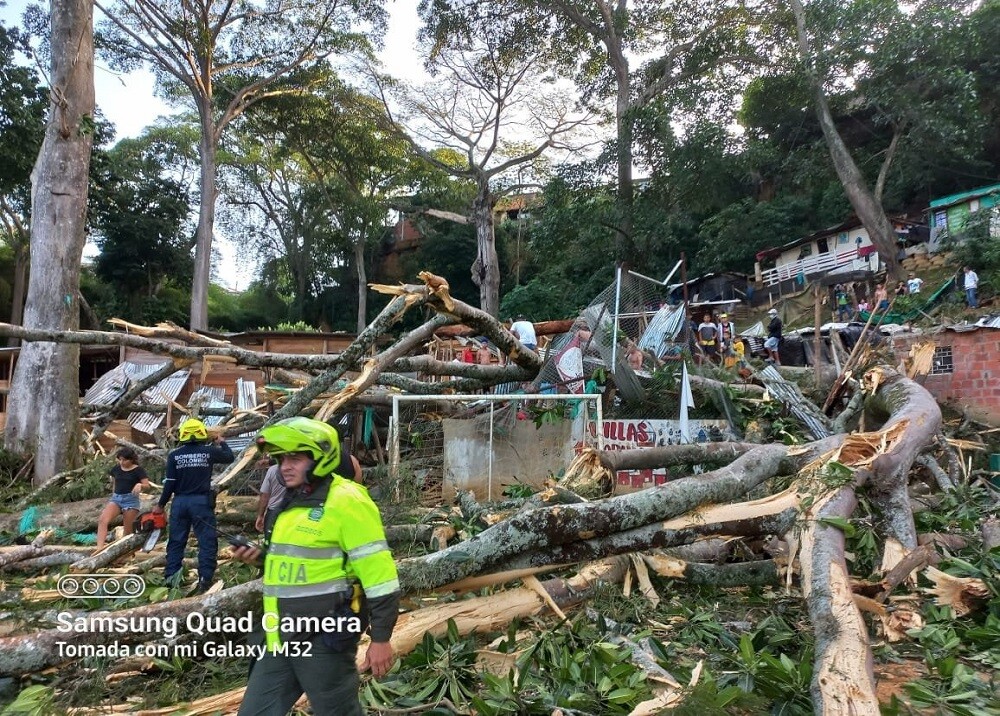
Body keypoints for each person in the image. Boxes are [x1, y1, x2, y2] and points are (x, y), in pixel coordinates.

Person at [232, 417, 399, 716]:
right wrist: (259, 558)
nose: (285, 466)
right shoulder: (292, 504)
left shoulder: (346, 501)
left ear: (322, 456)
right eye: (282, 459)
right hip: (280, 637)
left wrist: (381, 638)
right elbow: (297, 565)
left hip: (323, 639)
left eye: (295, 458)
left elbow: (381, 576)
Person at [155, 418, 234, 594]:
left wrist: (161, 505)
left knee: (176, 542)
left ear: (182, 434)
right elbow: (229, 457)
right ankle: (205, 580)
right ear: (202, 434)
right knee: (206, 542)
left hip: (180, 502)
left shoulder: (174, 455)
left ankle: (171, 579)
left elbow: (170, 483)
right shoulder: (209, 452)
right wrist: (222, 442)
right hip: (201, 503)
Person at [95, 448, 150, 551]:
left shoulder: (138, 470)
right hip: (116, 498)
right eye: (120, 460)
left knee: (128, 530)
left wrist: (140, 485)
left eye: (124, 460)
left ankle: (124, 552)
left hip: (131, 500)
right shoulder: (116, 469)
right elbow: (115, 483)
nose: (122, 462)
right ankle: (99, 548)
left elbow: (147, 485)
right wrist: (113, 494)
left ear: (131, 459)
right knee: (103, 520)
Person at [255, 461, 287, 535]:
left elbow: (265, 496)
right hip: (293, 511)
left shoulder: (272, 470)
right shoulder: (299, 470)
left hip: (273, 512)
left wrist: (260, 515)